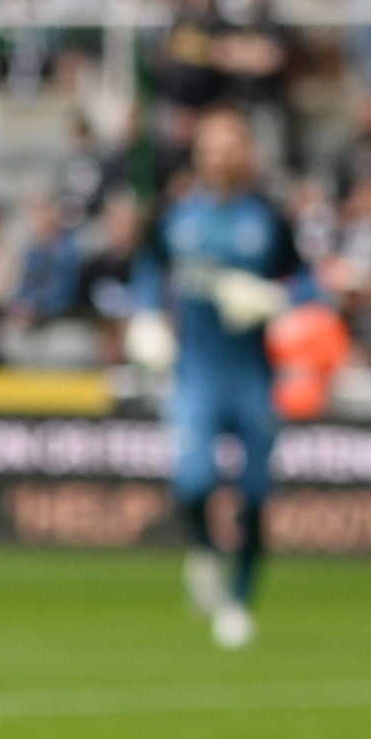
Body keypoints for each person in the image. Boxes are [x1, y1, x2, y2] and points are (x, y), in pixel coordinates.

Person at [127, 106, 306, 650]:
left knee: (254, 492)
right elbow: (146, 269)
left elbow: (307, 284)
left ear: (247, 152)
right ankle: (205, 552)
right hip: (196, 375)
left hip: (251, 374)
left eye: (232, 145)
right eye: (212, 145)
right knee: (194, 481)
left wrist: (275, 299)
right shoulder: (176, 215)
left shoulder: (269, 219)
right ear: (199, 154)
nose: (222, 155)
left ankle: (238, 600)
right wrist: (146, 317)